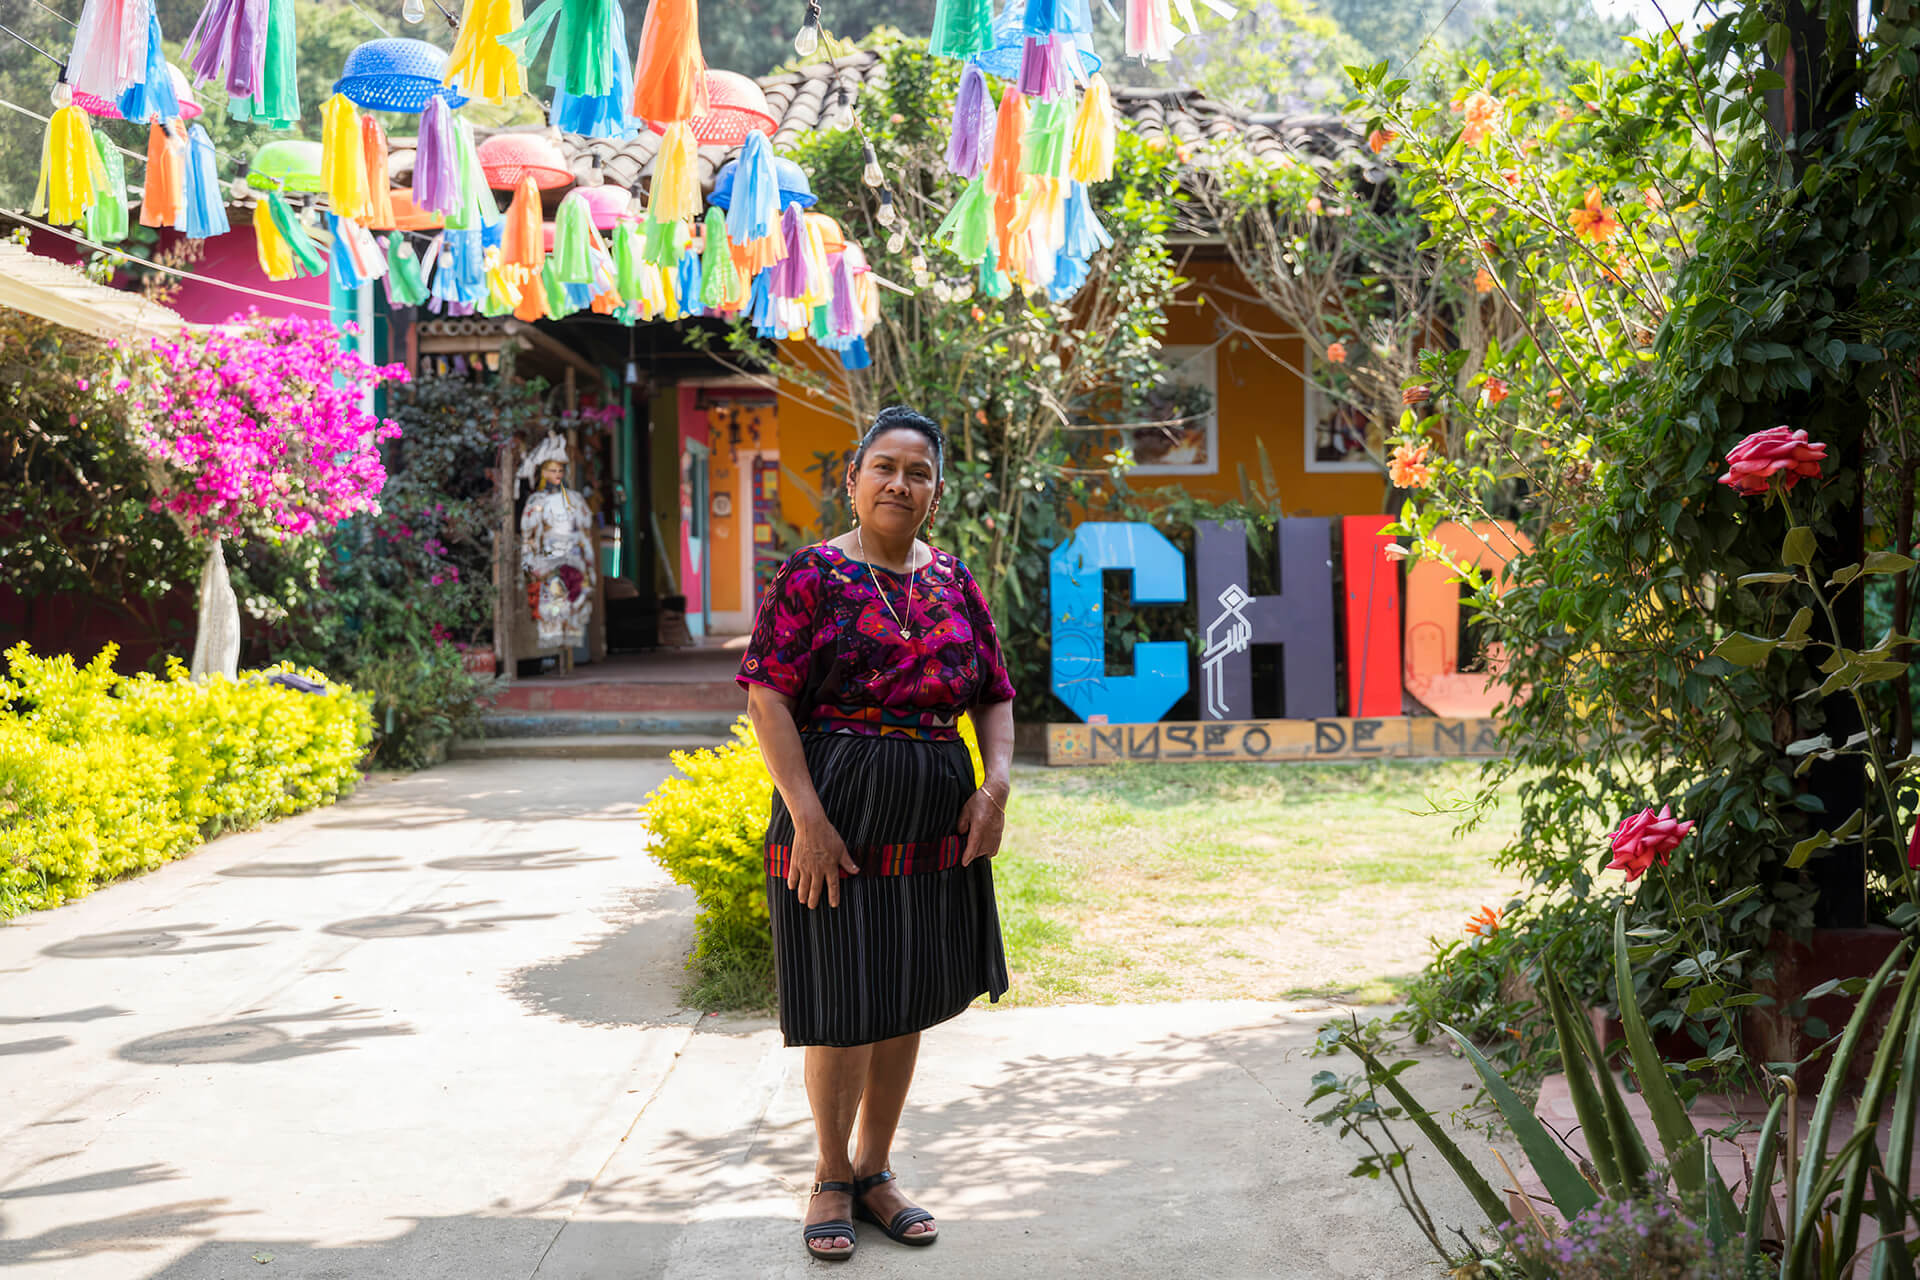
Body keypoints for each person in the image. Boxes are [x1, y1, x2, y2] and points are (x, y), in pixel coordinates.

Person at [736, 405, 1016, 1262]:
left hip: (936, 814)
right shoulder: (811, 574)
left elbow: (995, 695)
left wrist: (994, 786)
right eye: (884, 467)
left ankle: (876, 1169)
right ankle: (828, 1172)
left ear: (936, 489)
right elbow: (768, 696)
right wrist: (810, 819)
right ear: (854, 479)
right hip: (837, 816)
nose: (901, 484)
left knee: (907, 996)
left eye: (919, 472)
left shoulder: (957, 582)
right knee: (842, 1001)